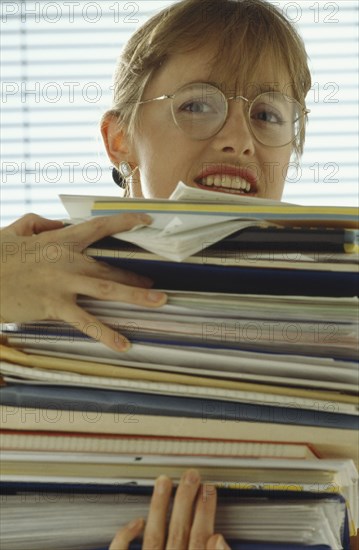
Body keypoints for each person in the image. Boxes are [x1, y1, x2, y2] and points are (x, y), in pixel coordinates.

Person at [0, 0, 312, 547]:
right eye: (197, 105)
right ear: (119, 140)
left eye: (267, 115)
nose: (239, 137)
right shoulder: (20, 286)